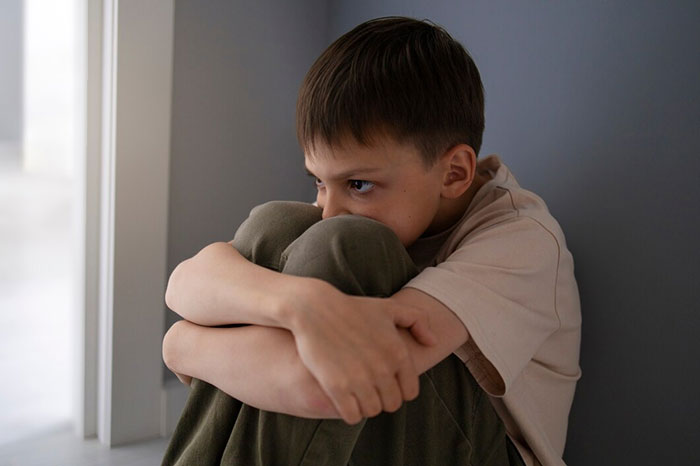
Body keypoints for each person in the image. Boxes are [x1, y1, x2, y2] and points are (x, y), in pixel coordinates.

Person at [160, 16, 581, 466]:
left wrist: (183, 345)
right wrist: (299, 303)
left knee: (347, 245)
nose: (328, 209)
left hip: (483, 452)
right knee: (277, 224)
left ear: (454, 172)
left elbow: (325, 390)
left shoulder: (522, 243)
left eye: (358, 184)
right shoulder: (380, 211)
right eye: (319, 182)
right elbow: (186, 284)